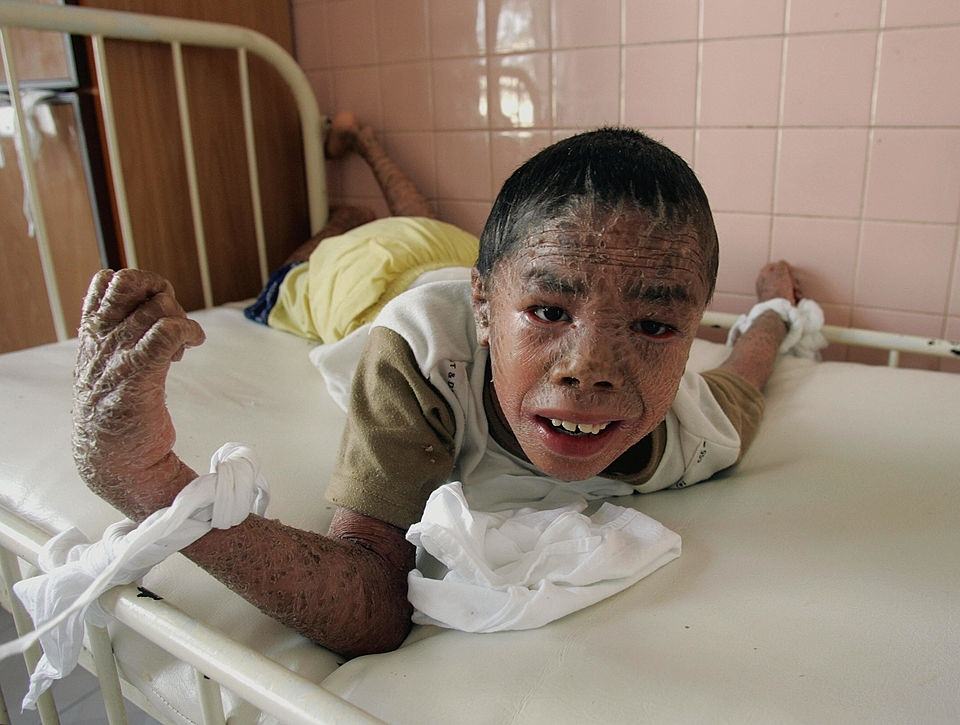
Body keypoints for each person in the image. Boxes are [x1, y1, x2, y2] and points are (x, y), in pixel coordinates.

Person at [71, 117, 802, 658]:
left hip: (451, 250)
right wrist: (149, 478)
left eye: (652, 327)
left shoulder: (690, 431)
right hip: (353, 281)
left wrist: (774, 309)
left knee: (423, 223)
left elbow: (746, 373)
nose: (592, 369)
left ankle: (365, 158)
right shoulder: (418, 351)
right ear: (482, 311)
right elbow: (374, 596)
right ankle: (333, 227)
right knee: (331, 255)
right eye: (550, 312)